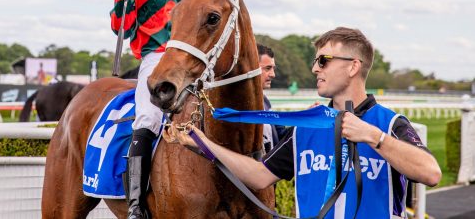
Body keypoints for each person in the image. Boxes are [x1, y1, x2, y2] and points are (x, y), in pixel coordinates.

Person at [166, 27, 442, 218]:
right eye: (315, 62)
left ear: (353, 66)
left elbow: (431, 173)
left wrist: (374, 137)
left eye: (324, 61)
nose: (315, 69)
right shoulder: (307, 125)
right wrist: (202, 144)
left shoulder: (390, 123)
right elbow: (259, 175)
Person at [110, 0, 201, 219]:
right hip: (155, 57)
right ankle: (136, 205)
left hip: (193, 60)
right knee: (148, 117)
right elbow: (119, 25)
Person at [257, 43, 286, 153]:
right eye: (268, 68)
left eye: (273, 68)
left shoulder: (265, 101)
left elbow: (282, 134)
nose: (273, 74)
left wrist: (304, 117)